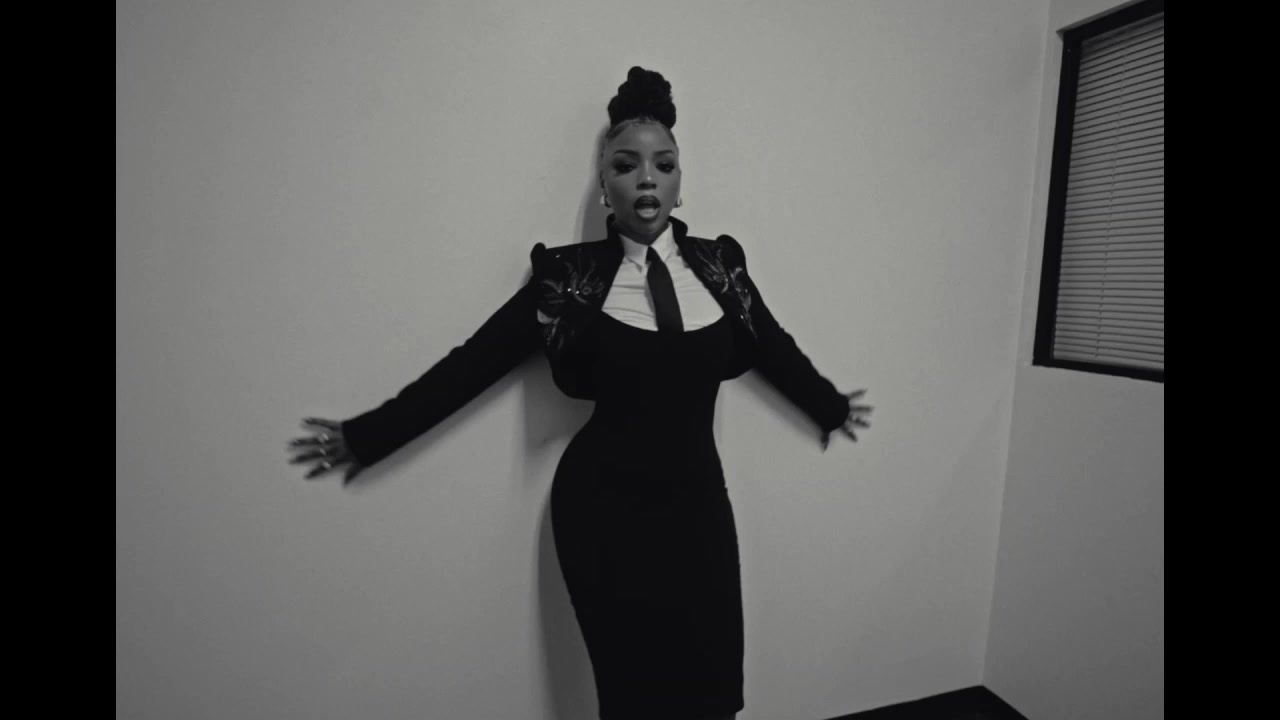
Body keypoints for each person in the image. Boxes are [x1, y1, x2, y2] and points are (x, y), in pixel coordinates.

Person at [289, 66, 871, 720]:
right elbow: (470, 366)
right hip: (604, 511)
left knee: (714, 695)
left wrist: (830, 406)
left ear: (680, 185)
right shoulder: (567, 279)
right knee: (634, 700)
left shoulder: (720, 267)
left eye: (663, 165)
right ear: (604, 187)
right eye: (626, 165)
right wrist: (366, 437)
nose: (646, 178)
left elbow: (774, 346)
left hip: (700, 509)